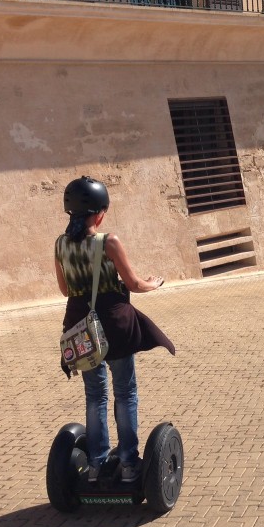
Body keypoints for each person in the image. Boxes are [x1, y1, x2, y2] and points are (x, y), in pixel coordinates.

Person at [55, 176, 176, 483]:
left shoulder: (60, 244)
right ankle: (127, 463)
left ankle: (95, 465)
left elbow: (64, 290)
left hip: (80, 327)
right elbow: (134, 284)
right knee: (125, 392)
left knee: (95, 395)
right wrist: (154, 283)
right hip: (112, 324)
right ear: (100, 213)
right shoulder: (108, 242)